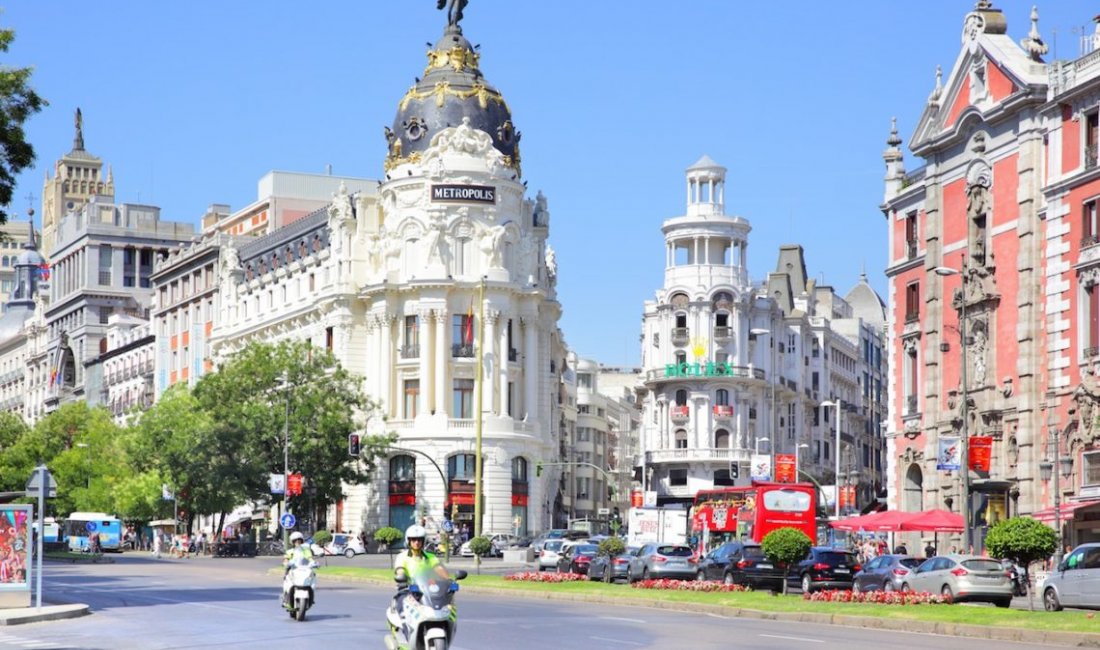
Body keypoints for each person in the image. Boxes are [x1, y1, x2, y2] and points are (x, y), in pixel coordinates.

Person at [392, 525, 446, 618]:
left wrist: (448, 579)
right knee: (402, 602)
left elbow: (439, 568)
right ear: (408, 541)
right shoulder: (402, 556)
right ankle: (404, 623)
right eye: (413, 540)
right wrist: (402, 578)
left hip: (428, 590)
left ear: (423, 541)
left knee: (443, 607)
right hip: (409, 590)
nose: (416, 542)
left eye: (419, 540)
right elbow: (400, 570)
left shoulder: (430, 557)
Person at [282, 532, 314, 607]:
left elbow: (310, 558)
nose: (297, 542)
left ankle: (311, 597)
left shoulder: (306, 550)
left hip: (304, 569)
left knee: (312, 577)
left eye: (299, 541)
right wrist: (286, 562)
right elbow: (286, 559)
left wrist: (313, 563)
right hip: (293, 570)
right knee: (287, 582)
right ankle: (286, 598)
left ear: (302, 541)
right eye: (295, 541)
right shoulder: (290, 551)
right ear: (292, 542)